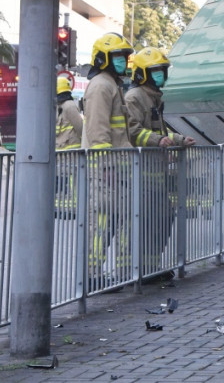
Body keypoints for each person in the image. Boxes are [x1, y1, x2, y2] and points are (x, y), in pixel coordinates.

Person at [125, 47, 195, 281]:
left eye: (162, 70)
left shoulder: (154, 97)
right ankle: (141, 271)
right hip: (142, 173)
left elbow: (160, 130)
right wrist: (158, 141)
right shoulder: (135, 97)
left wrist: (178, 140)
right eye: (156, 71)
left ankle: (152, 268)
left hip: (156, 173)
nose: (161, 75)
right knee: (148, 223)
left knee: (162, 219)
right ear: (143, 73)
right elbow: (134, 132)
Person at [82, 33, 134, 289]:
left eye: (124, 56)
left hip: (116, 169)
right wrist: (105, 167)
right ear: (103, 59)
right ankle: (92, 276)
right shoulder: (102, 85)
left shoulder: (112, 84)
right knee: (102, 223)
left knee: (113, 221)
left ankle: (105, 273)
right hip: (106, 170)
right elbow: (98, 131)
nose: (123, 61)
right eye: (118, 56)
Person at [55, 76, 82, 150]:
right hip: (68, 152)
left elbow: (80, 128)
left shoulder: (65, 106)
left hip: (67, 152)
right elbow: (80, 128)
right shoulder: (67, 105)